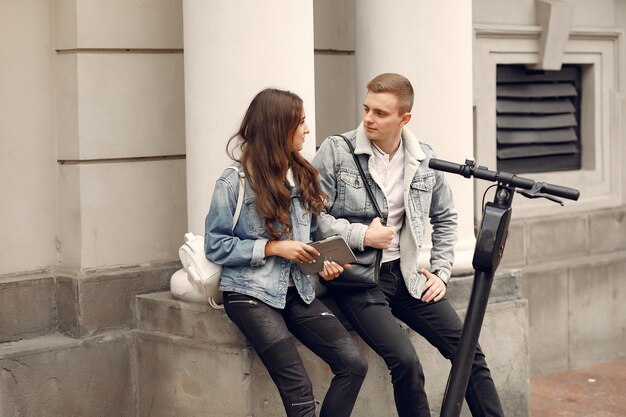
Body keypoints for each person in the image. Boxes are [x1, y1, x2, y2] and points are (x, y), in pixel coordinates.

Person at [311, 73, 504, 417]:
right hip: (359, 280)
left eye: (381, 113)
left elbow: (445, 217)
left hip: (408, 276)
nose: (369, 118)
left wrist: (441, 272)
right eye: (367, 109)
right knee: (406, 362)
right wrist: (361, 235)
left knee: (468, 353)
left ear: (405, 119)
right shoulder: (337, 151)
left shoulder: (424, 159)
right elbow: (311, 214)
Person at [205, 88, 368, 417]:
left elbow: (311, 236)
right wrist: (272, 247)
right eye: (302, 123)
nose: (307, 130)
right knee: (299, 390)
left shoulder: (304, 176)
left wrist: (322, 264)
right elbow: (216, 244)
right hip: (250, 293)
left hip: (299, 291)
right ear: (279, 128)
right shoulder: (234, 182)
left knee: (353, 364)